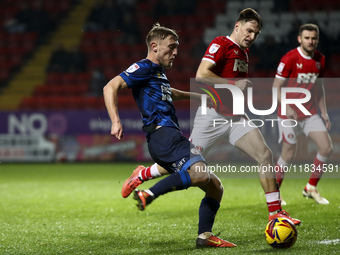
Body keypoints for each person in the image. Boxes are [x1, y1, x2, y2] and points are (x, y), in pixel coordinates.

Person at [122, 9, 301, 226]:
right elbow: (202, 75)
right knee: (184, 162)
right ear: (237, 26)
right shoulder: (221, 44)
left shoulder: (243, 52)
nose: (252, 37)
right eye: (249, 30)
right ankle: (142, 176)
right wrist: (234, 84)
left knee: (265, 154)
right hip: (212, 117)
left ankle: (275, 214)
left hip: (235, 117)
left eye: (256, 34)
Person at [103, 23, 237, 248]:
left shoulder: (157, 72)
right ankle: (149, 193)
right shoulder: (144, 67)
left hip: (168, 138)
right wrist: (115, 121)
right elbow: (110, 86)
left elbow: (171, 93)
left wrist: (200, 96)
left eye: (177, 48)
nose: (176, 52)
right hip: (163, 137)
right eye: (171, 47)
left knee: (215, 187)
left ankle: (204, 236)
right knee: (201, 174)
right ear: (154, 46)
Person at [273, 23, 333, 204]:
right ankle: (274, 194)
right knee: (289, 154)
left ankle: (311, 187)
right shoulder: (289, 58)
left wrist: (324, 112)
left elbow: (319, 88)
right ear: (300, 39)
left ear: (317, 40)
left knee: (326, 148)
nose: (310, 41)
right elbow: (276, 87)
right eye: (307, 38)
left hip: (310, 112)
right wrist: (288, 106)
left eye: (314, 38)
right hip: (287, 114)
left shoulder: (320, 60)